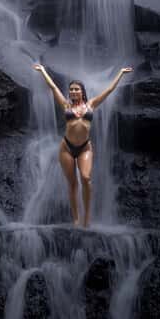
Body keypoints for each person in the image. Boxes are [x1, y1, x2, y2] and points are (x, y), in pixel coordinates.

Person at [33, 64, 133, 227]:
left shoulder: (91, 104)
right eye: (71, 89)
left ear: (82, 91)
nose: (73, 92)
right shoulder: (66, 105)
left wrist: (120, 74)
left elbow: (108, 91)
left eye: (76, 89)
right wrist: (43, 71)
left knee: (86, 178)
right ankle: (76, 218)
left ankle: (86, 217)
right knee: (72, 183)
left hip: (85, 147)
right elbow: (52, 86)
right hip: (66, 147)